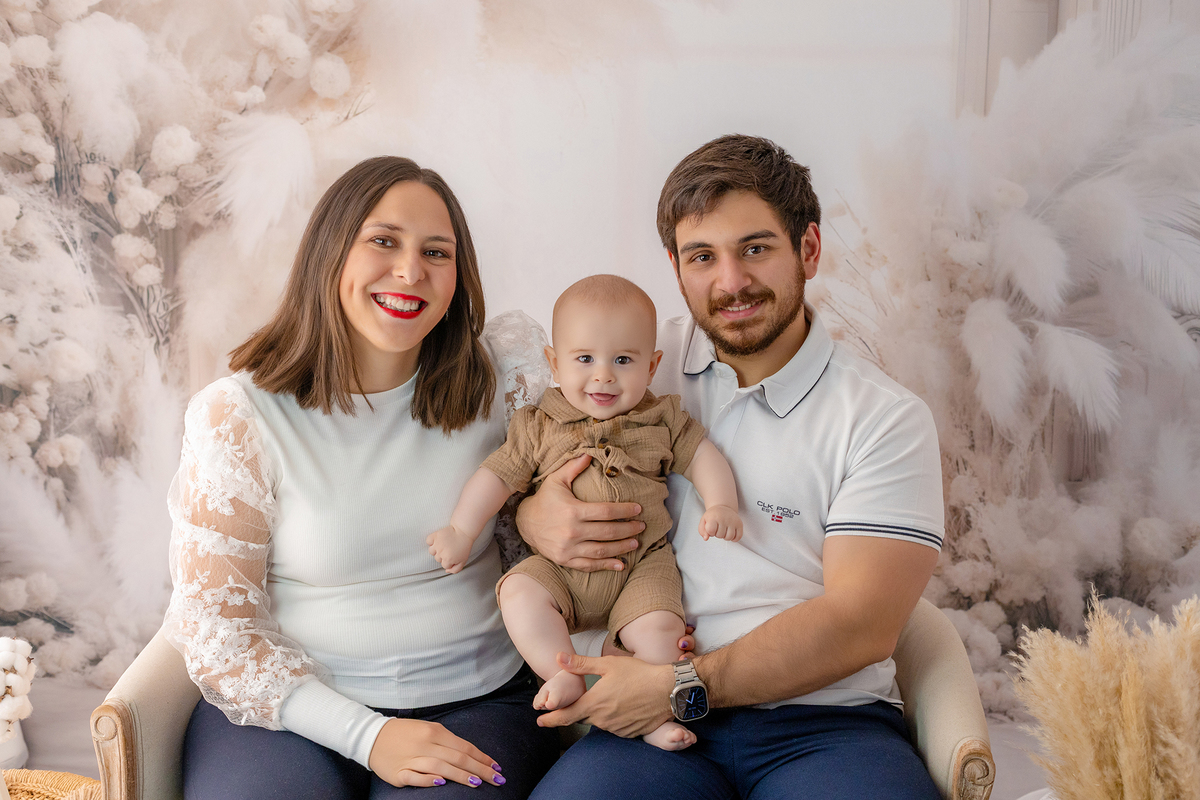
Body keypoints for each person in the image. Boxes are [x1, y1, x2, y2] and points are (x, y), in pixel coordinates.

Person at [520, 135, 945, 800]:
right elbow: (529, 456)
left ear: (808, 249)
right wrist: (534, 513)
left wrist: (683, 686)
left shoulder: (885, 418)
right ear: (675, 265)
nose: (731, 281)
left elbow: (863, 621)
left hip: (827, 727)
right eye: (702, 256)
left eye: (755, 248)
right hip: (645, 728)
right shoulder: (630, 366)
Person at [164, 156, 558, 800]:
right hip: (290, 714)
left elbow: (564, 510)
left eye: (437, 251)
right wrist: (366, 736)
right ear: (330, 253)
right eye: (383, 241)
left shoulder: (506, 380)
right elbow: (215, 628)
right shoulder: (238, 416)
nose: (411, 271)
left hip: (476, 703)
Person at [426, 274, 743, 752]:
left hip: (642, 566)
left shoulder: (662, 419)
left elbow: (702, 456)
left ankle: (652, 713)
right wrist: (461, 529)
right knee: (517, 593)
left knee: (662, 631)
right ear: (554, 362)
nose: (603, 376)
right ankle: (564, 672)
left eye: (622, 360)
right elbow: (497, 476)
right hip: (558, 573)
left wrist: (722, 503)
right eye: (584, 359)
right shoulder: (539, 423)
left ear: (652, 365)